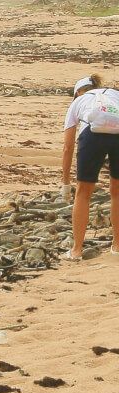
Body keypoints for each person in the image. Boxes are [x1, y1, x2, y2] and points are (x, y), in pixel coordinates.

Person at [61, 74, 119, 260]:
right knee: (117, 191)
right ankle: (117, 246)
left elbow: (67, 146)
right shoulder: (114, 94)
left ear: (78, 92)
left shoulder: (78, 101)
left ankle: (76, 250)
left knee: (83, 193)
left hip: (92, 136)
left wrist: (66, 183)